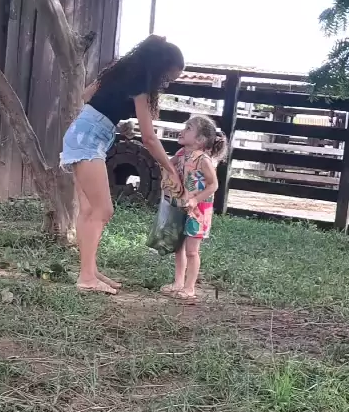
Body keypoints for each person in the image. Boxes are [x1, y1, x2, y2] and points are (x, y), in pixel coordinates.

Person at [60, 35, 185, 294]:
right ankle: (86, 278)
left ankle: (89, 270)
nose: (166, 83)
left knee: (88, 209)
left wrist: (113, 122)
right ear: (159, 67)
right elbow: (149, 138)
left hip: (83, 132)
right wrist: (169, 167)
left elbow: (86, 95)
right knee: (103, 210)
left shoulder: (120, 71)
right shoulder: (141, 84)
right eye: (167, 78)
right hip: (89, 140)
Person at [161, 116, 228, 301]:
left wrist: (196, 200)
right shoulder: (182, 153)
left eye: (188, 128)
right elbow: (168, 165)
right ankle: (178, 283)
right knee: (179, 248)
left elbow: (213, 185)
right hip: (182, 206)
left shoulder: (203, 160)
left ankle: (189, 288)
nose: (182, 131)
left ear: (200, 140)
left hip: (198, 211)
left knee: (191, 251)